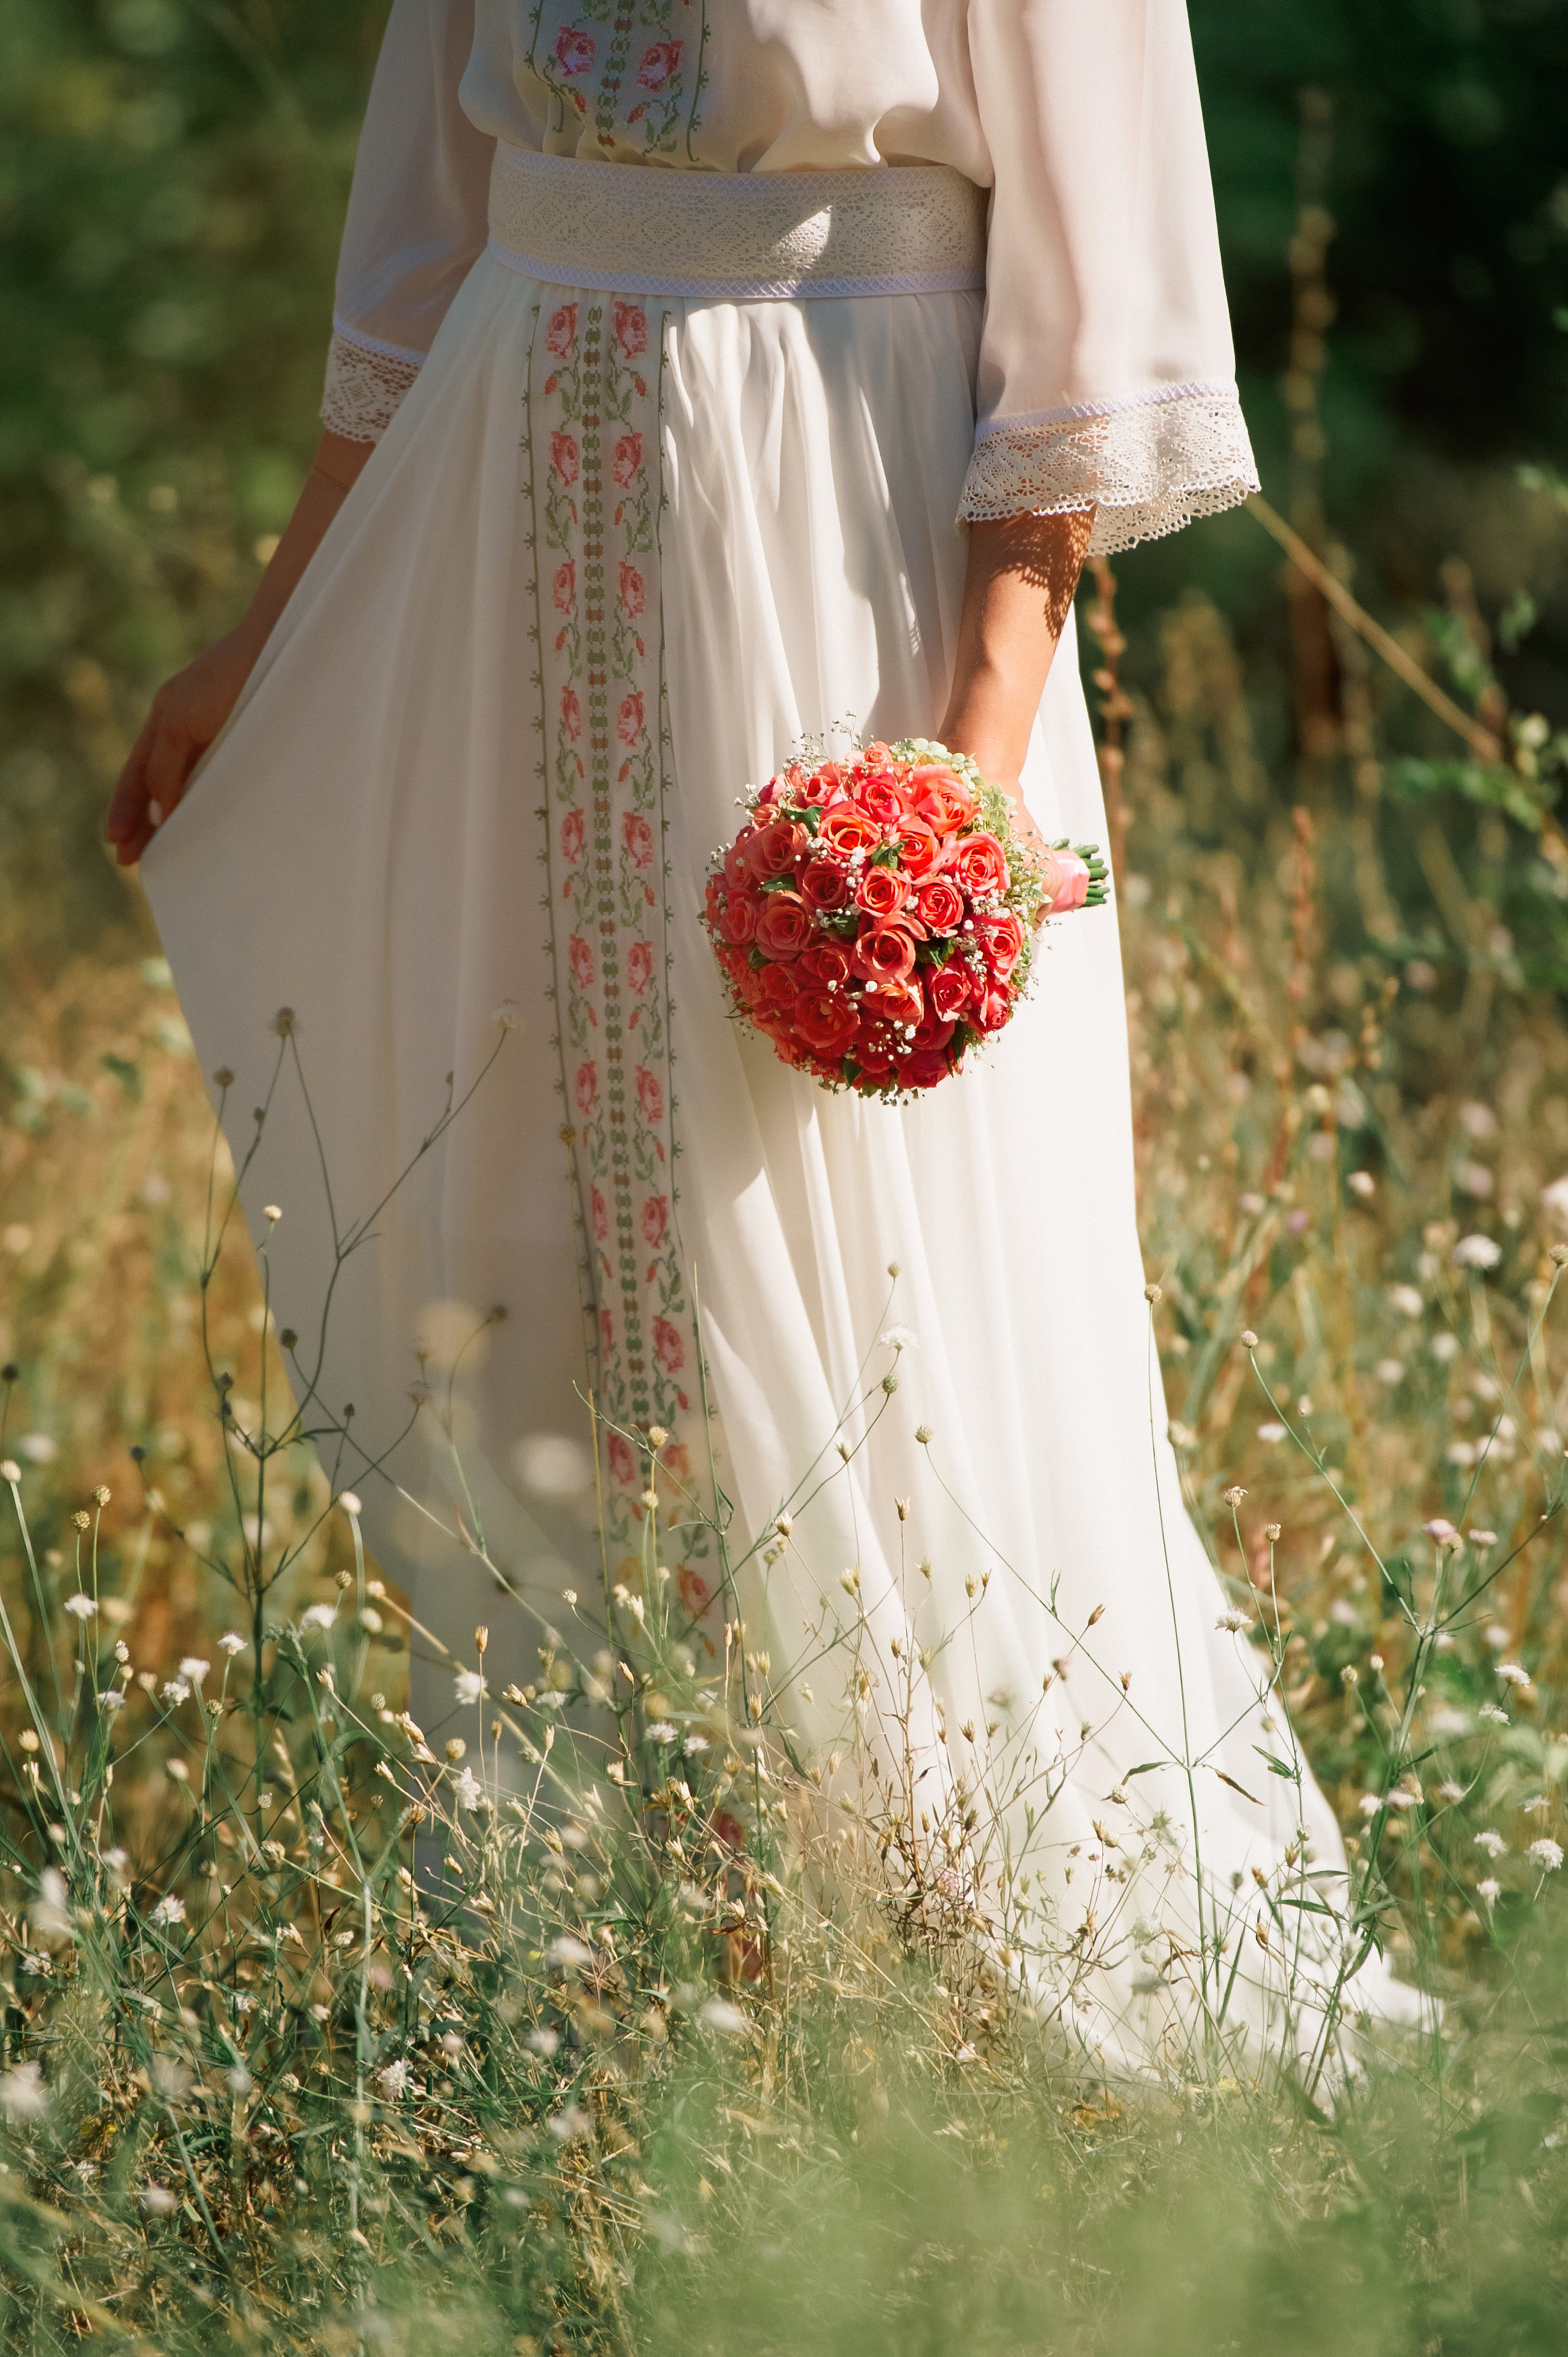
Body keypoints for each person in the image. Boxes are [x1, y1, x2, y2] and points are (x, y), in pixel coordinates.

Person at [106, 1, 1410, 2076]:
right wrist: (264, 635)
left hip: (832, 535)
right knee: (526, 1198)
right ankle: (614, 1925)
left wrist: (957, 791)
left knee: (857, 1223)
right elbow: (424, 251)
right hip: (499, 529)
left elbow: (1085, 313)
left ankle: (923, 1942)